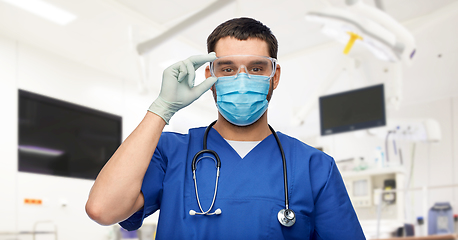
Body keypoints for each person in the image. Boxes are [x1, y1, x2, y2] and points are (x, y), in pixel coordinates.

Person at [86, 17, 365, 239]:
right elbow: (102, 209)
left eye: (256, 68)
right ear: (210, 75)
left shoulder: (314, 166)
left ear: (274, 76)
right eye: (228, 69)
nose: (242, 80)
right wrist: (161, 109)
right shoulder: (171, 152)